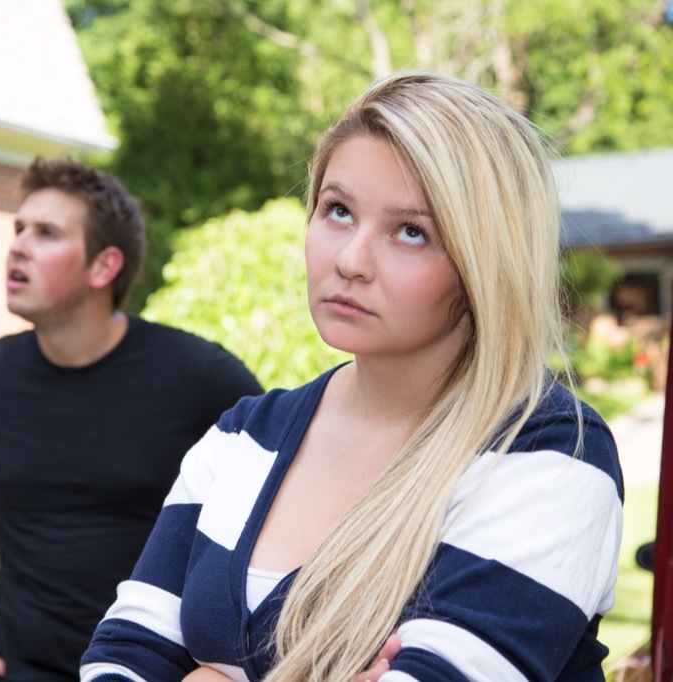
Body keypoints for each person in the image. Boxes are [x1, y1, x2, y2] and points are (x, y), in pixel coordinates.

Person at [79, 70, 624, 681]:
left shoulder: (547, 452)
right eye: (338, 210)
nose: (350, 260)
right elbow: (123, 654)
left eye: (411, 232)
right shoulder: (244, 436)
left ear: (486, 262)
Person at [0, 157, 264, 682]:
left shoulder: (201, 377)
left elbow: (285, 507)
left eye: (46, 233)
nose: (18, 246)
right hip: (19, 670)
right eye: (19, 229)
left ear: (103, 267)